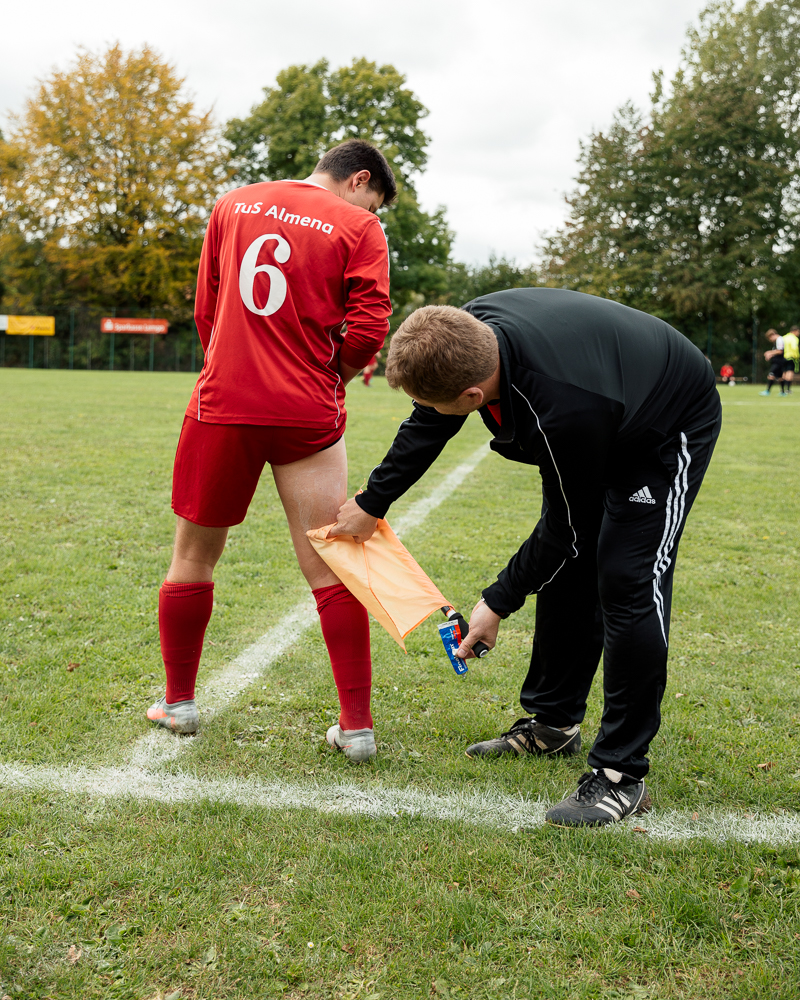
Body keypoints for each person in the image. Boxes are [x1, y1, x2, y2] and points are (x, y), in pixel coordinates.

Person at [329, 291, 721, 826]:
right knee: (575, 562)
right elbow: (429, 421)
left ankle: (620, 775)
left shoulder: (563, 411)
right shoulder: (464, 331)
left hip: (664, 420)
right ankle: (555, 723)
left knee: (627, 577)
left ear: (472, 395)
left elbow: (564, 531)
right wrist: (372, 502)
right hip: (605, 393)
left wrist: (496, 601)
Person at [145, 139, 395, 763]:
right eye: (376, 200)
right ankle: (357, 727)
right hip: (306, 411)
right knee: (331, 559)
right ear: (359, 179)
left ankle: (178, 704)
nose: (373, 211)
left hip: (223, 404)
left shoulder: (232, 203)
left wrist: (228, 363)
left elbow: (207, 303)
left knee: (193, 557)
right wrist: (328, 373)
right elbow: (368, 327)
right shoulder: (359, 225)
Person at [762, 329, 789, 395]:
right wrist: (771, 354)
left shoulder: (779, 340)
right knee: (780, 377)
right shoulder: (778, 340)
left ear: (772, 335)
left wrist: (769, 352)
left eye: (770, 338)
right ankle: (782, 392)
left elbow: (780, 351)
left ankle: (767, 391)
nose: (770, 340)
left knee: (771, 375)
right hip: (779, 361)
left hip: (778, 362)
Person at [782, 325, 799, 393]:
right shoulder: (794, 338)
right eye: (798, 331)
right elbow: (794, 348)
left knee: (784, 373)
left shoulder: (784, 337)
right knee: (790, 373)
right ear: (794, 331)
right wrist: (797, 356)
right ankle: (788, 389)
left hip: (783, 357)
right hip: (791, 357)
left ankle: (782, 388)